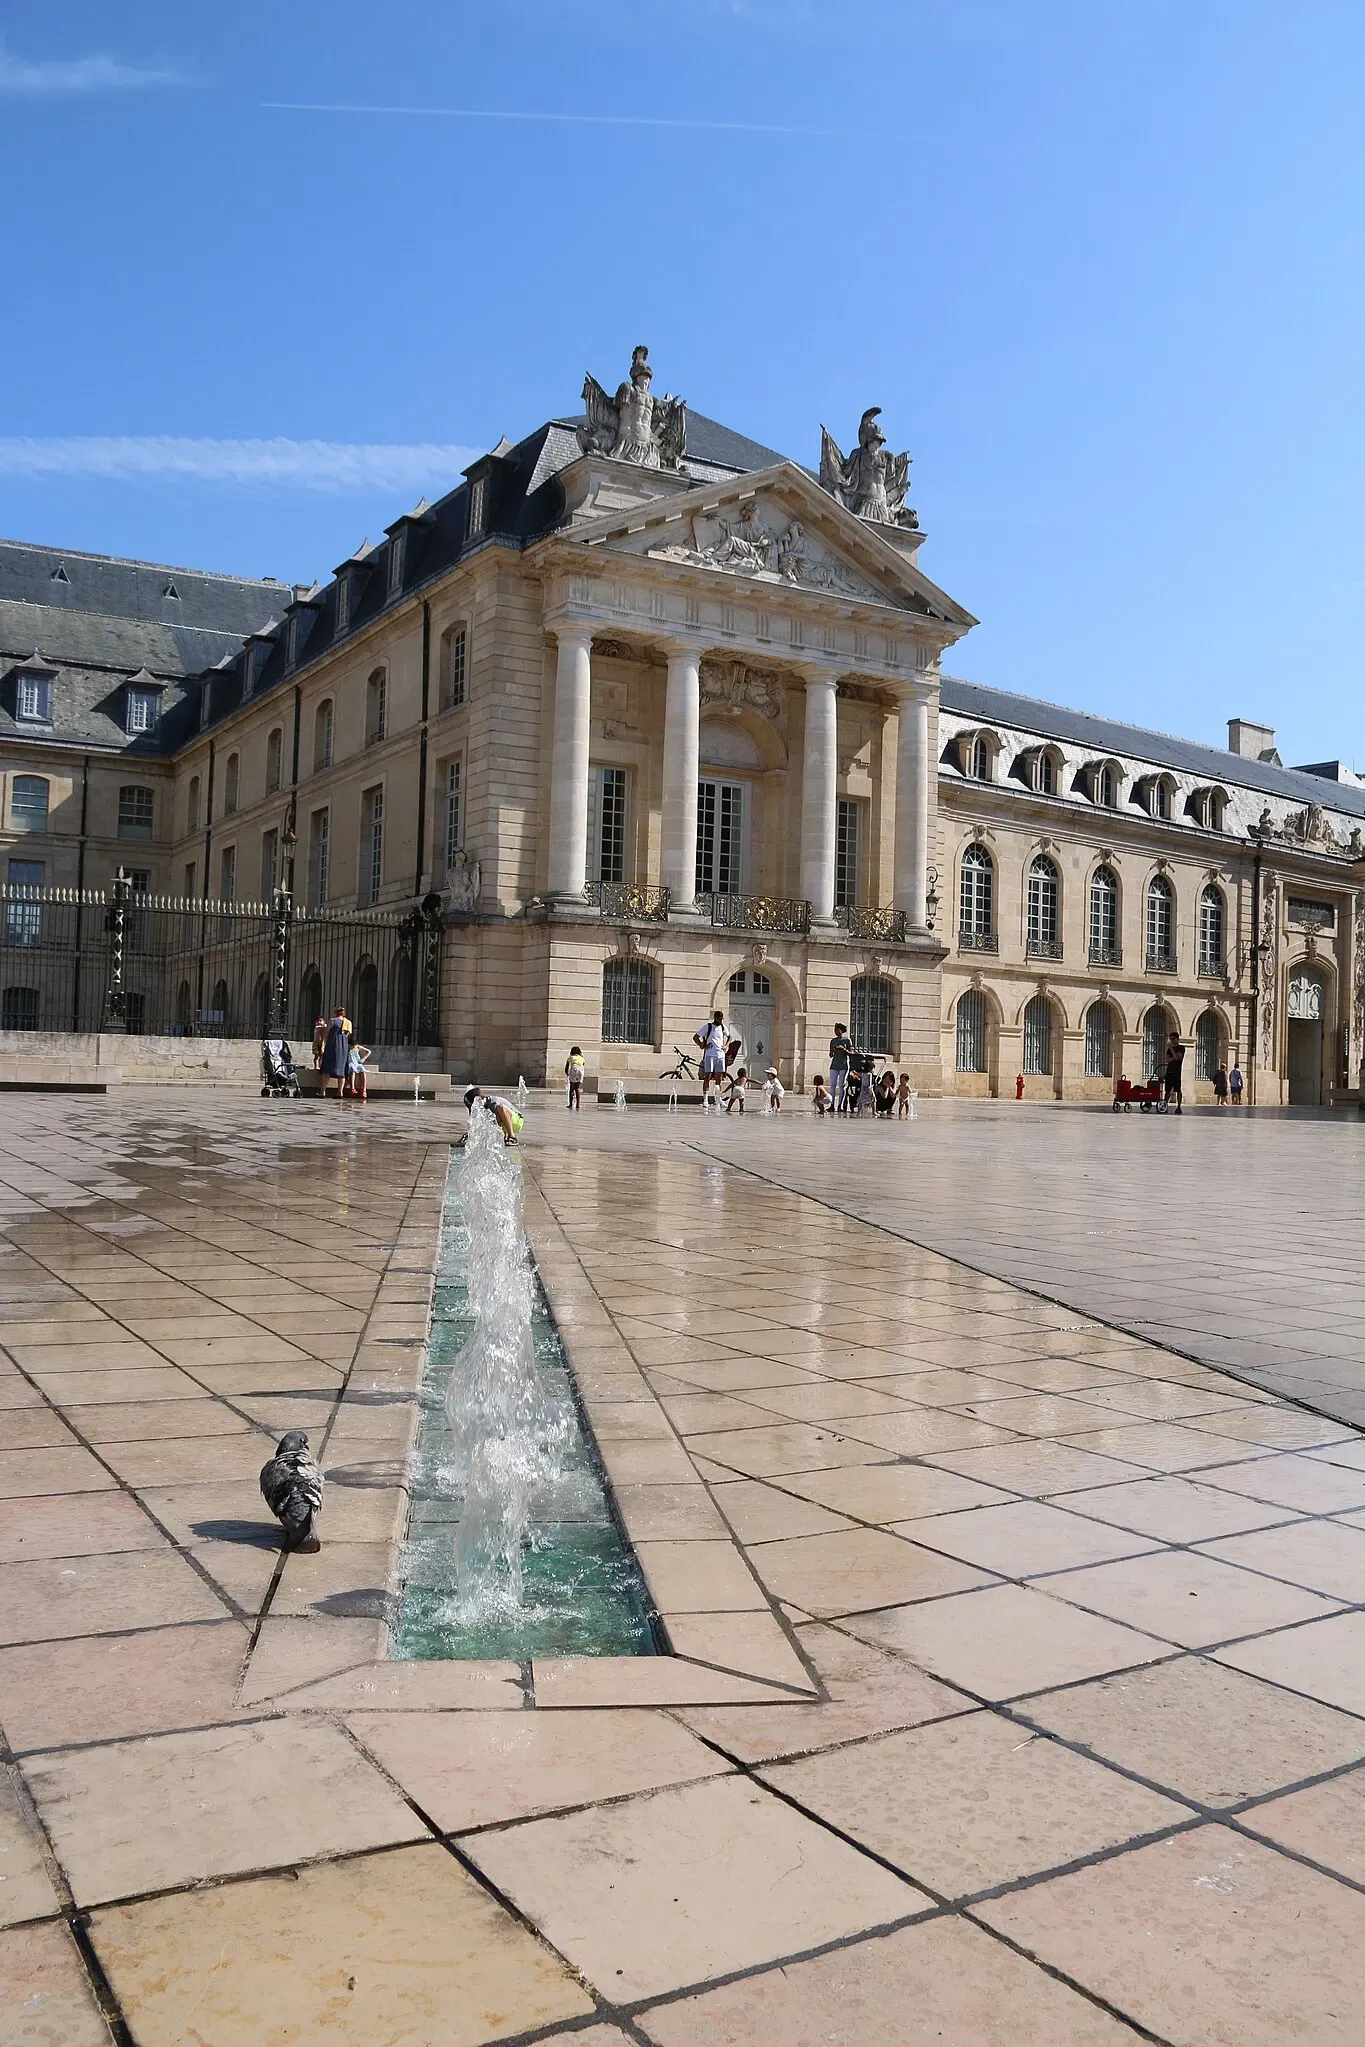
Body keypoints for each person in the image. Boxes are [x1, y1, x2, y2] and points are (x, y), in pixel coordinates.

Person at [695, 1010, 728, 1108]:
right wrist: (702, 1045)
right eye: (719, 1019)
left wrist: (726, 1045)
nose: (720, 1021)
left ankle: (718, 1098)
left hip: (720, 1055)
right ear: (715, 1018)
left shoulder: (722, 1027)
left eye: (721, 1019)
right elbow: (696, 1037)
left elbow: (729, 1036)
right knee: (707, 1077)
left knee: (719, 1078)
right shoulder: (708, 1027)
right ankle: (705, 1099)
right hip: (710, 1055)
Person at [318, 1007, 350, 1102]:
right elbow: (347, 1035)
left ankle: (322, 1092)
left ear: (335, 1013)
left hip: (333, 1045)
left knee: (327, 1069)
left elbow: (326, 1033)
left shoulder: (333, 1021)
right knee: (341, 1071)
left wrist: (322, 1032)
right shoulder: (348, 1022)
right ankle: (340, 1092)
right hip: (343, 1047)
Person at [827, 1023, 853, 1112]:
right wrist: (833, 1050)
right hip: (834, 1065)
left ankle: (840, 1106)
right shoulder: (833, 1041)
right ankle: (832, 1105)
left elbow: (851, 1053)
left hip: (843, 1066)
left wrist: (843, 1049)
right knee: (832, 1086)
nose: (836, 1032)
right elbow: (830, 1055)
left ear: (842, 1031)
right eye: (835, 1030)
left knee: (842, 1086)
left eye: (838, 1030)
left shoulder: (847, 1040)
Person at [1164, 1033, 1186, 1114]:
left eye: (1173, 1039)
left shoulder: (1181, 1048)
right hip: (1169, 1071)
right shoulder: (1169, 1049)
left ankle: (1179, 1107)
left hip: (1176, 1072)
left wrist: (1171, 1050)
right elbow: (1167, 1060)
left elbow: (1178, 1058)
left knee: (1178, 1090)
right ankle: (1165, 1105)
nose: (1172, 1040)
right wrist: (1174, 1057)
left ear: (1177, 1038)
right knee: (1167, 1090)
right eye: (1171, 1039)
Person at [564, 1045, 585, 1111]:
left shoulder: (570, 1057)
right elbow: (583, 1064)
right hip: (581, 1071)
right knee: (577, 1088)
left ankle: (570, 1104)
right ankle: (578, 1104)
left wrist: (567, 1073)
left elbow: (567, 1067)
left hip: (574, 1070)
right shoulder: (582, 1058)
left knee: (572, 1088)